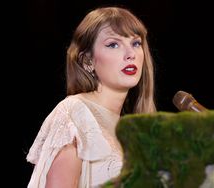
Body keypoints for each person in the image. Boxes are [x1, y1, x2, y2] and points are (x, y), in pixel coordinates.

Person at [26, 6, 157, 188]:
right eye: (113, 44)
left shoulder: (134, 133)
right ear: (87, 60)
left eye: (135, 43)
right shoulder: (74, 113)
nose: (131, 54)